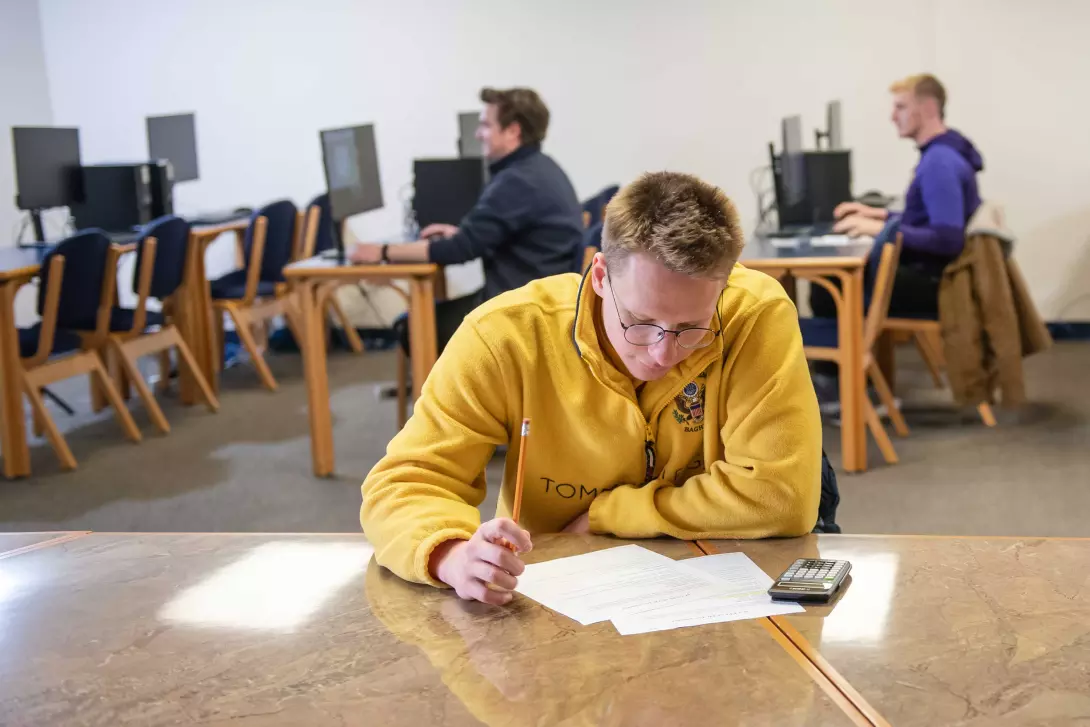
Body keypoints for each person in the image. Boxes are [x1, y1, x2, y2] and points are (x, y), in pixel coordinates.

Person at [361, 172, 822, 604]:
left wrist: (608, 516)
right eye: (640, 323)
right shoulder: (505, 336)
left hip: (715, 580)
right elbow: (406, 482)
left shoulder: (753, 313)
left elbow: (780, 496)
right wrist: (451, 554)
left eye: (691, 327)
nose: (663, 353)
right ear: (600, 276)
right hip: (562, 589)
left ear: (720, 289)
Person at [350, 87, 584, 302]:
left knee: (412, 329)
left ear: (513, 131)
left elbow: (458, 250)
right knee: (432, 317)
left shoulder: (516, 181)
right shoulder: (538, 169)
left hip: (519, 315)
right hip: (537, 303)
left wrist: (381, 251)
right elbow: (494, 238)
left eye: (485, 125)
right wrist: (462, 234)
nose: (478, 134)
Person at [827, 73, 984, 319]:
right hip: (932, 273)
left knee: (828, 287)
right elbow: (925, 219)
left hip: (936, 283)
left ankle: (840, 355)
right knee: (842, 277)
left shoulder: (939, 162)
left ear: (929, 108)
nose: (892, 116)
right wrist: (878, 214)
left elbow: (947, 239)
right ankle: (848, 354)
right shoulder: (940, 153)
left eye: (901, 107)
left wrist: (880, 229)